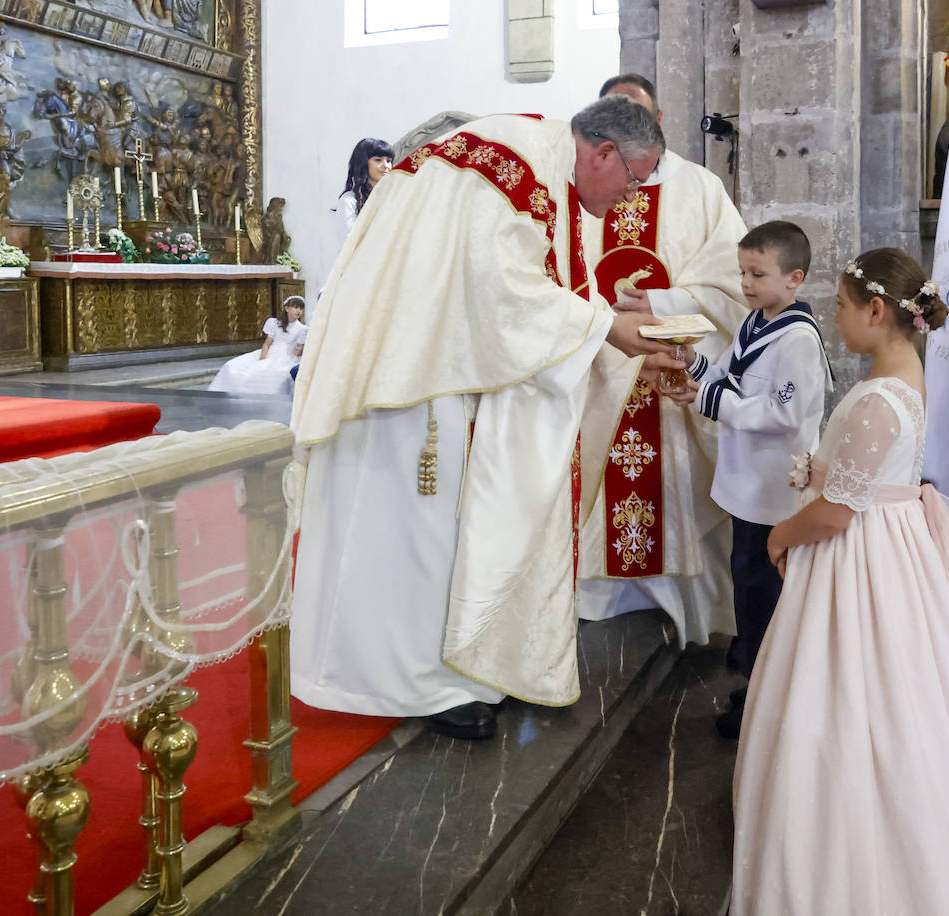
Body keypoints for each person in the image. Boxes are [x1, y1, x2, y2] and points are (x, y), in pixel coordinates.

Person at [290, 96, 676, 741]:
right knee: (415, 535)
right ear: (604, 152)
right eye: (634, 180)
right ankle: (415, 683)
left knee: (437, 534)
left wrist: (614, 332)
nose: (631, 197)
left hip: (444, 365)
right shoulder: (511, 166)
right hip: (417, 380)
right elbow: (498, 289)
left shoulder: (540, 163)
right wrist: (610, 327)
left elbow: (536, 290)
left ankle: (462, 669)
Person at [731, 247, 949, 915]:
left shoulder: (879, 395)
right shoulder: (905, 373)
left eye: (844, 306)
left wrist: (779, 534)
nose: (835, 315)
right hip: (892, 545)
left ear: (877, 311)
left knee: (852, 688)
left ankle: (849, 850)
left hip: (861, 558)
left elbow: (839, 511)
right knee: (897, 692)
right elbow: (862, 481)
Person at [576, 74, 748, 656]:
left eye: (637, 116)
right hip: (597, 365)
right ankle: (595, 598)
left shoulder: (699, 189)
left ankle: (686, 611)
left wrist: (664, 305)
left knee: (674, 491)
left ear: (658, 118)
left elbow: (733, 283)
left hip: (671, 362)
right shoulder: (579, 183)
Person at [666, 221, 831, 738]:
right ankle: (754, 657)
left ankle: (762, 699)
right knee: (749, 583)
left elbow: (782, 413)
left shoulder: (798, 340)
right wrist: (696, 365)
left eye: (758, 273)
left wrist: (707, 400)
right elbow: (736, 376)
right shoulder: (757, 321)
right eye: (743, 273)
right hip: (746, 486)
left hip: (772, 493)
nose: (747, 283)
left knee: (763, 591)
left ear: (794, 278)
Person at [207, 295, 307, 395]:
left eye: (301, 308)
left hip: (288, 355)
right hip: (271, 352)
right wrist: (263, 358)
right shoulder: (275, 323)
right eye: (295, 307)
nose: (298, 311)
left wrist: (299, 348)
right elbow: (267, 343)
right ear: (287, 308)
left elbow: (297, 351)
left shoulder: (303, 329)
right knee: (236, 366)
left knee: (275, 372)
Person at [333, 137, 393, 248]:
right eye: (378, 160)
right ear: (363, 163)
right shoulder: (349, 201)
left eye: (389, 161)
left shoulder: (393, 198)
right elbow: (348, 245)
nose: (386, 166)